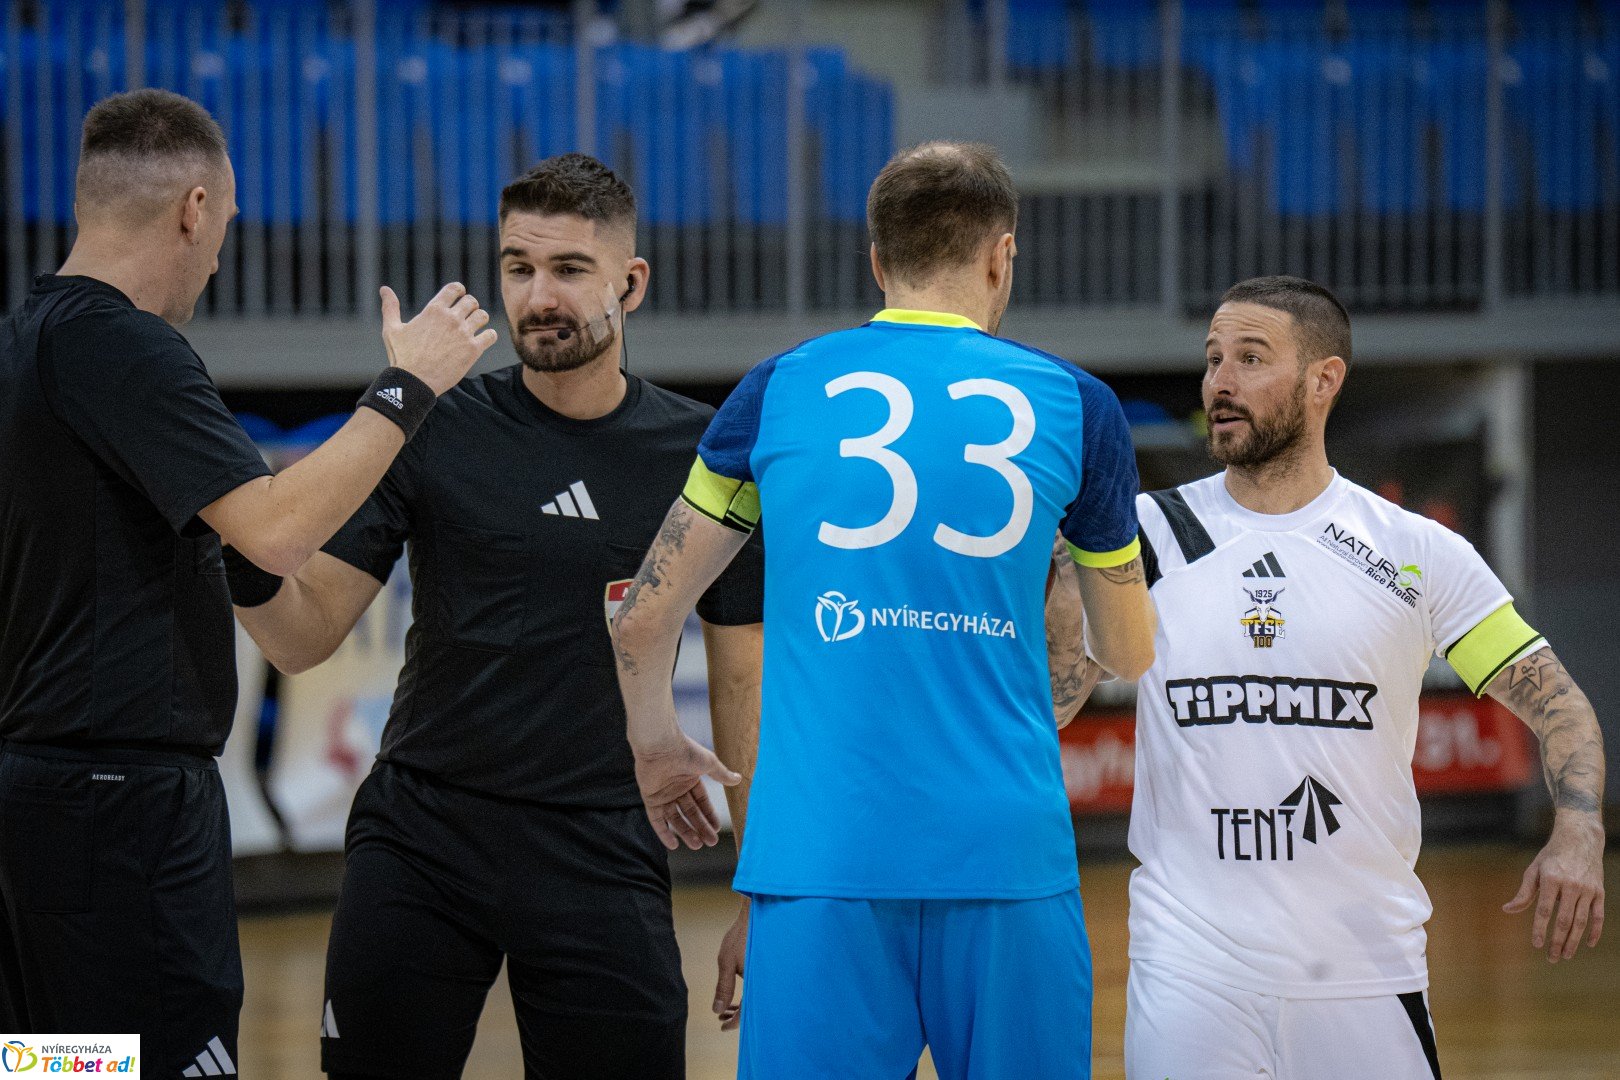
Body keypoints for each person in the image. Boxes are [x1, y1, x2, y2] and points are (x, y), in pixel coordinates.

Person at [611, 141, 1157, 1079]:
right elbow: (1130, 652)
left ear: (877, 262)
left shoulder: (777, 389)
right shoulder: (1080, 406)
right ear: (1002, 256)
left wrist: (659, 747)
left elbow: (645, 618)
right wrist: (1053, 595)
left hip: (818, 861)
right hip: (1003, 855)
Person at [230, 153, 764, 1080]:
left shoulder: (703, 455)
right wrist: (239, 550)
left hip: (602, 843)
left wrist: (765, 896)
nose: (538, 296)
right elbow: (305, 635)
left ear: (630, 284)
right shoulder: (434, 424)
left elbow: (742, 680)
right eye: (518, 268)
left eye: (568, 270)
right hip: (423, 836)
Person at [0, 89, 493, 1074]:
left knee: (60, 1065)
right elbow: (272, 533)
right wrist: (406, 391)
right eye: (224, 223)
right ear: (192, 208)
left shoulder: (28, 344)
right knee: (169, 1060)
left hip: (48, 813)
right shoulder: (123, 345)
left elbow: (293, 623)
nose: (223, 253)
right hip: (121, 813)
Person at [1114, 275, 1607, 1080]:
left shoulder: (1417, 553)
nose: (1220, 383)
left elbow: (1559, 706)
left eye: (1249, 359)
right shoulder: (1146, 535)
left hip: (1363, 974)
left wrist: (1580, 830)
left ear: (1323, 381)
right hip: (1187, 974)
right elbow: (1055, 695)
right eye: (1212, 361)